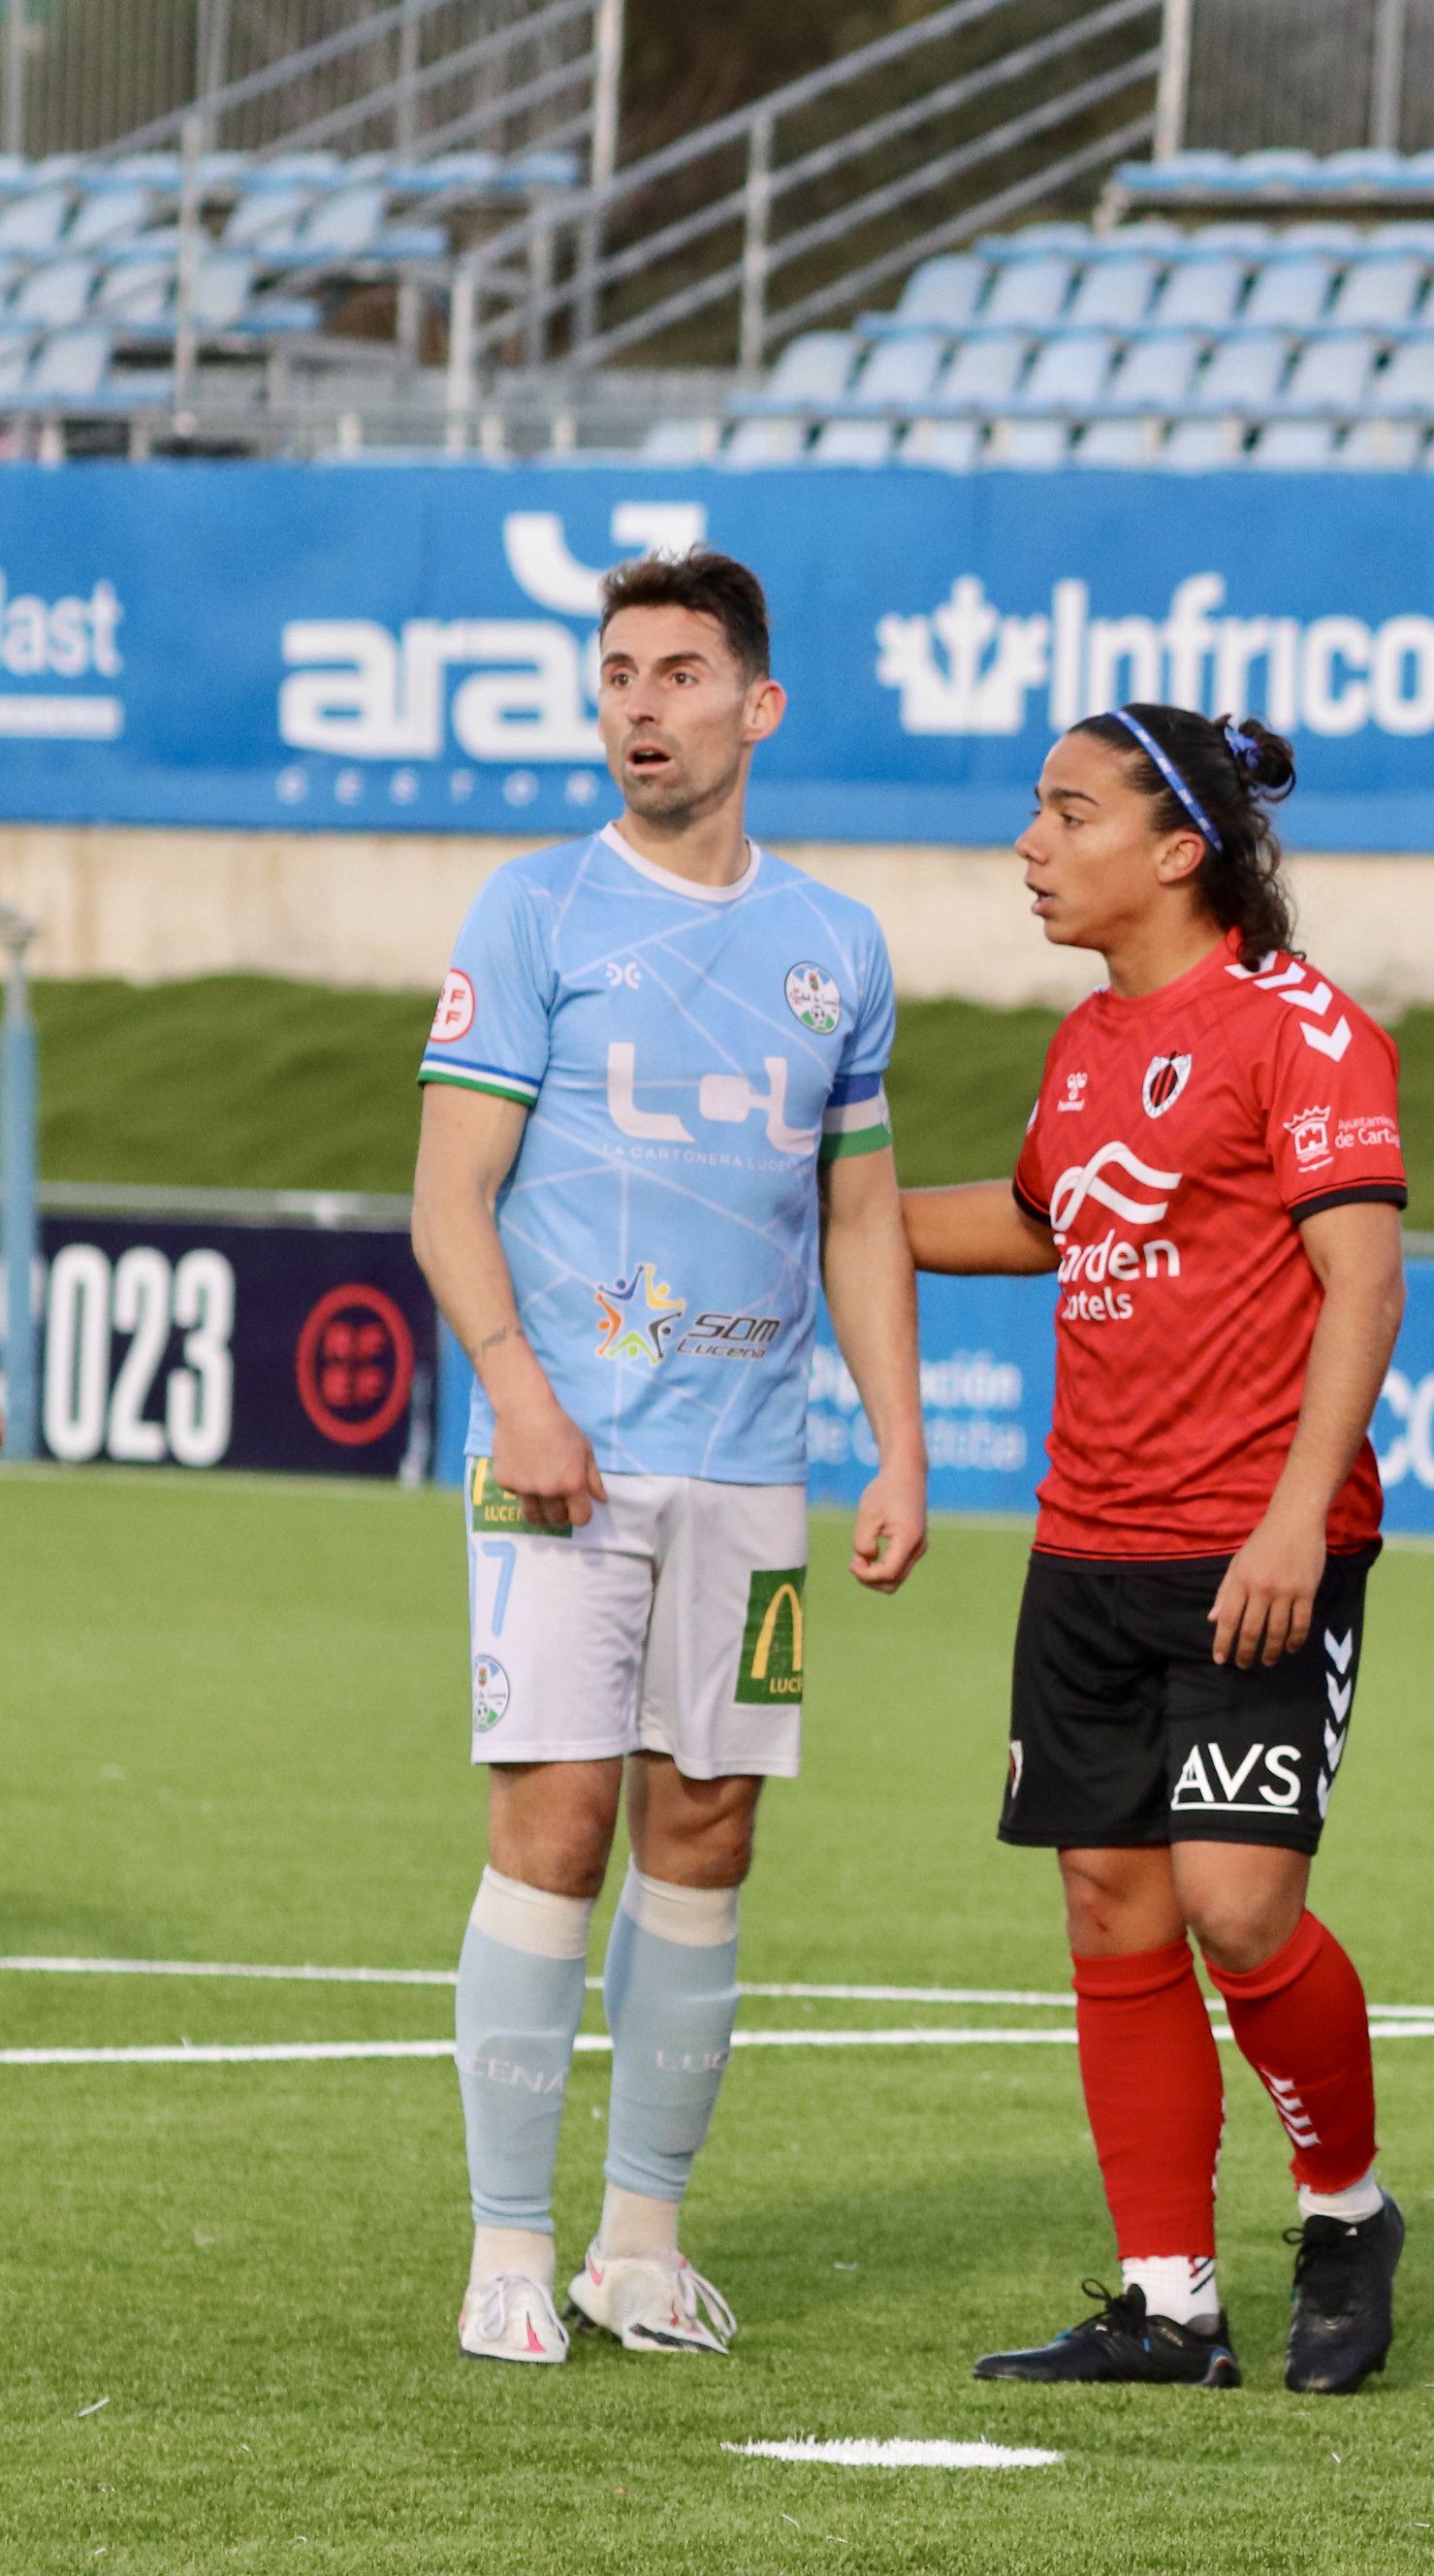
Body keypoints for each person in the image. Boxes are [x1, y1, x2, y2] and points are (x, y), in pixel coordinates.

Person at [411, 547, 929, 2366]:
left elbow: (856, 1212)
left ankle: (641, 2241)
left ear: (756, 705)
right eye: (618, 672)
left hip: (749, 1467)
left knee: (703, 1831)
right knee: (553, 1826)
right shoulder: (533, 910)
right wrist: (517, 1390)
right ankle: (501, 2245)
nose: (641, 703)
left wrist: (900, 1443)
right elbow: (447, 1192)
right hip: (563, 1452)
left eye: (679, 673)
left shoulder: (835, 944)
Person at [903, 704, 1411, 2397]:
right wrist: (850, 1214)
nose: (1030, 844)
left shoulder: (1302, 1027)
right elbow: (1051, 1222)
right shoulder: (1087, 1043)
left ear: (1179, 849)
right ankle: (1167, 2301)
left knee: (1240, 1907)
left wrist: (1290, 1514)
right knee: (1113, 1909)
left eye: (1067, 812)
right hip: (1087, 1547)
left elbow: (1365, 1280)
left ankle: (1343, 2208)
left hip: (1258, 1551)